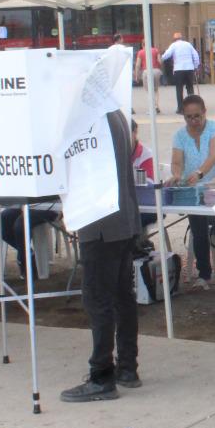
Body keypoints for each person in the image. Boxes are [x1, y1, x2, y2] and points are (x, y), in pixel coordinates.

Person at [61, 109, 144, 401]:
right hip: (121, 219)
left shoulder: (89, 116)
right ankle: (126, 367)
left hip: (99, 223)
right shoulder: (113, 112)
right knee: (122, 297)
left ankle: (101, 375)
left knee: (99, 300)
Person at [167, 94, 215, 294]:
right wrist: (177, 175)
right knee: (198, 231)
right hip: (195, 192)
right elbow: (177, 162)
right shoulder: (179, 135)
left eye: (197, 116)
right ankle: (203, 275)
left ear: (205, 113)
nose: (193, 121)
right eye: (188, 117)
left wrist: (199, 172)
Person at [162, 31, 201, 112]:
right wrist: (196, 66)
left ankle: (180, 108)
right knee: (190, 88)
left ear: (174, 39)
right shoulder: (188, 44)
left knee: (179, 89)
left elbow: (166, 55)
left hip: (179, 70)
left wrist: (161, 58)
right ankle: (192, 107)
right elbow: (196, 55)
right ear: (181, 38)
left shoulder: (174, 45)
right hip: (189, 69)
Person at [137, 42, 162, 112]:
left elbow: (138, 65)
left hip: (146, 72)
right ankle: (156, 106)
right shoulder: (156, 50)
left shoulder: (140, 52)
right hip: (156, 71)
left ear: (142, 45)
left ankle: (152, 107)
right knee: (156, 90)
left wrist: (137, 75)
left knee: (149, 91)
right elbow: (159, 61)